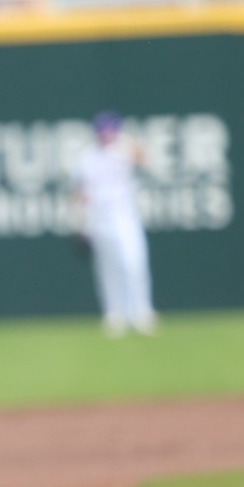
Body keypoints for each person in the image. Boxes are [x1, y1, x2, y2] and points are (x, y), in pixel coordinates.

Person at [77, 109, 155, 337]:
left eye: (110, 131)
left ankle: (141, 312)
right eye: (103, 132)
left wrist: (125, 142)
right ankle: (114, 315)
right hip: (99, 218)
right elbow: (81, 191)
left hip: (125, 217)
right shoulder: (87, 157)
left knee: (134, 263)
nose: (105, 136)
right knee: (107, 270)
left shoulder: (123, 149)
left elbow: (145, 159)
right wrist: (82, 224)